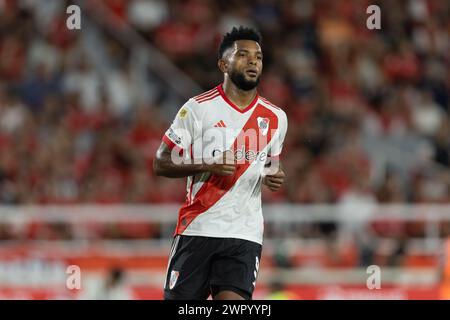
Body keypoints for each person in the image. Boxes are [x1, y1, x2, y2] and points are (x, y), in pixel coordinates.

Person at [153, 26, 288, 300]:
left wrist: (274, 176)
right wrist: (207, 165)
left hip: (244, 234)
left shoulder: (277, 118)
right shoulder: (198, 108)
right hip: (198, 228)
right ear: (223, 64)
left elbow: (270, 166)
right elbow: (160, 162)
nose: (253, 61)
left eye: (258, 57)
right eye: (243, 55)